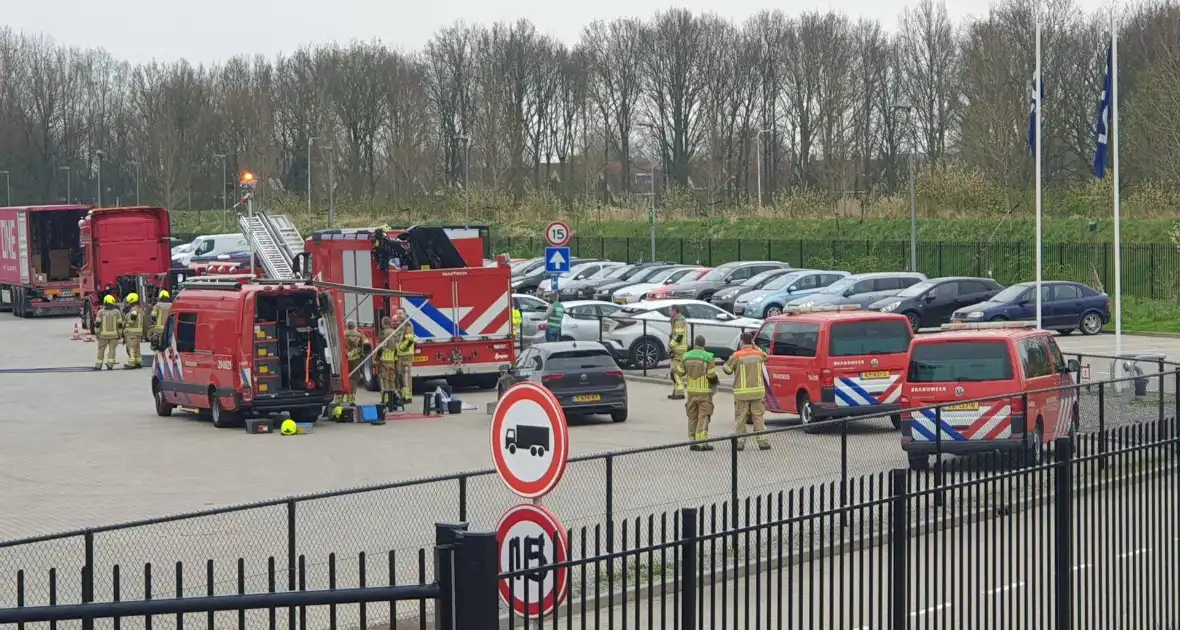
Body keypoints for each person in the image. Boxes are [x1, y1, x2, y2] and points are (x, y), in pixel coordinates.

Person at [723, 331, 770, 451]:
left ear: (741, 342)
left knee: (741, 418)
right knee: (758, 417)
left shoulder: (737, 355)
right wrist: (755, 346)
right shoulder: (759, 354)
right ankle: (763, 442)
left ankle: (740, 443)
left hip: (742, 393)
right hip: (758, 392)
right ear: (752, 342)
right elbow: (766, 355)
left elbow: (726, 369)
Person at [676, 335, 719, 451]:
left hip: (691, 391)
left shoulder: (686, 356)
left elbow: (680, 372)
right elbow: (711, 375)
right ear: (704, 345)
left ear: (695, 344)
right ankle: (702, 442)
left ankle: (693, 441)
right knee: (703, 416)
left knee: (692, 416)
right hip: (705, 391)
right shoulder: (708, 357)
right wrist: (715, 384)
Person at [94, 295, 124, 371]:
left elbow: (97, 324)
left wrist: (97, 334)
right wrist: (120, 335)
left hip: (102, 336)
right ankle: (110, 365)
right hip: (114, 336)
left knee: (101, 350)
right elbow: (120, 325)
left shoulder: (100, 312)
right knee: (112, 350)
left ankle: (98, 365)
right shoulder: (117, 312)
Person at [342, 320, 367, 405]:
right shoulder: (359, 335)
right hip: (355, 358)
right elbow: (365, 345)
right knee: (353, 378)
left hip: (344, 358)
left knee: (342, 377)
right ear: (355, 326)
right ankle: (351, 398)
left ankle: (339, 398)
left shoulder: (343, 333)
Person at [667, 305, 689, 400]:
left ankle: (679, 393)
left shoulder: (679, 321)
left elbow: (678, 337)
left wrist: (670, 346)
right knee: (674, 371)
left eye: (670, 311)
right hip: (678, 349)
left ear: (675, 311)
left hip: (679, 349)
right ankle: (676, 391)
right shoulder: (677, 320)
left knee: (675, 372)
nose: (669, 313)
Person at [377, 315, 400, 408]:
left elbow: (380, 348)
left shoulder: (383, 333)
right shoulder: (395, 333)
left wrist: (376, 360)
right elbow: (397, 347)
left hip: (384, 360)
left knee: (384, 380)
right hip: (392, 361)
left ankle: (386, 400)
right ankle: (393, 399)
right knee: (392, 381)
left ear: (383, 324)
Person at [395, 313, 417, 402]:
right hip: (401, 356)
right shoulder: (402, 327)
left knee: (406, 376)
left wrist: (400, 348)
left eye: (397, 320)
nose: (396, 322)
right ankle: (404, 396)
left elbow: (410, 340)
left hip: (406, 356)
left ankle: (407, 397)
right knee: (402, 376)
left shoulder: (407, 327)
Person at [122, 292, 146, 369]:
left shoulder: (133, 309)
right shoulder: (140, 310)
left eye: (128, 301)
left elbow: (132, 319)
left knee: (131, 347)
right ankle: (138, 362)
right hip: (138, 332)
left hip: (132, 332)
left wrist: (127, 323)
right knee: (137, 348)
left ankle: (131, 363)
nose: (127, 303)